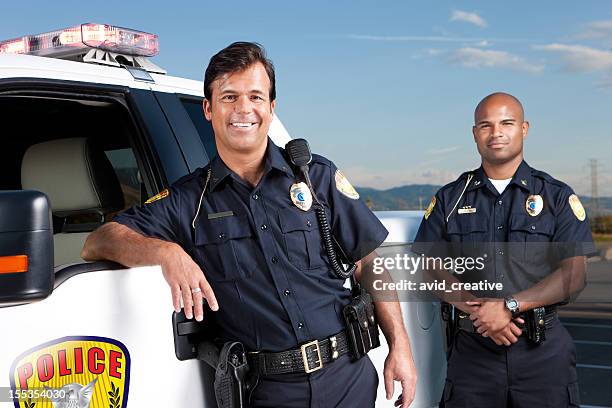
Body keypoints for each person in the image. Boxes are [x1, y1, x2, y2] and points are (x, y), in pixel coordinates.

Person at [81, 42, 417, 407]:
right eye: (229, 97)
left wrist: (400, 347)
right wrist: (164, 251)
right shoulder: (187, 201)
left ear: (271, 108)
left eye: (256, 96)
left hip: (347, 380)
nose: (244, 108)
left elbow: (371, 260)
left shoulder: (316, 178)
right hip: (267, 393)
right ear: (209, 108)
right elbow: (98, 241)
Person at [412, 92, 595, 407]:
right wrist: (480, 312)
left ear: (524, 129)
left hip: (542, 355)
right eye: (485, 125)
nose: (496, 133)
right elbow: (429, 267)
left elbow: (574, 274)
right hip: (472, 354)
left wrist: (509, 306)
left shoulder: (556, 197)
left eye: (506, 123)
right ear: (475, 134)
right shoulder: (450, 199)